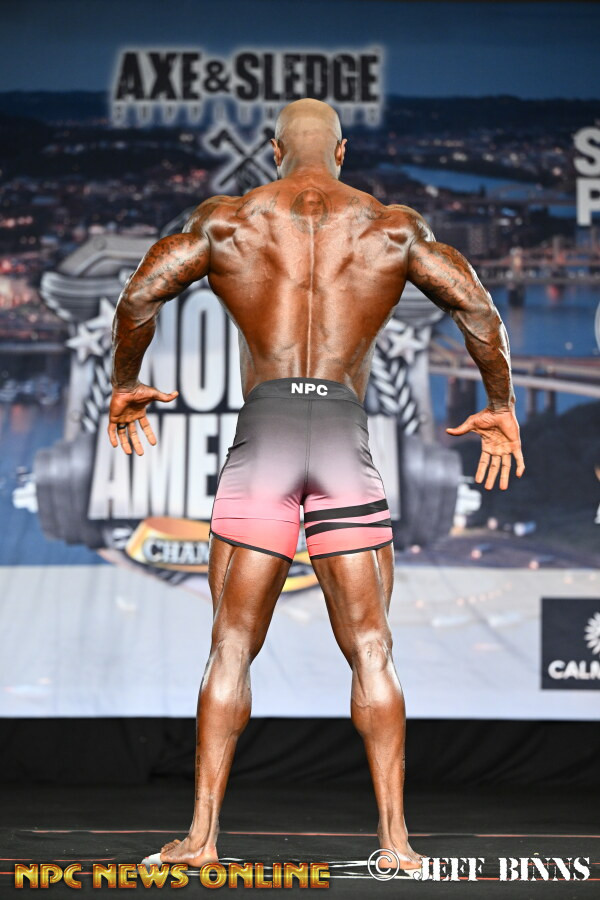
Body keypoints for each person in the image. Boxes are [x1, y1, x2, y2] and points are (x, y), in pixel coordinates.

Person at [108, 99, 524, 870]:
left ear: (273, 151)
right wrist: (500, 402)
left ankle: (201, 839)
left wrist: (125, 382)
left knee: (231, 646)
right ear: (341, 151)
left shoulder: (228, 221)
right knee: (371, 645)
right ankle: (396, 844)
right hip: (339, 439)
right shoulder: (390, 228)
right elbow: (477, 308)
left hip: (265, 439)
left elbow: (139, 296)